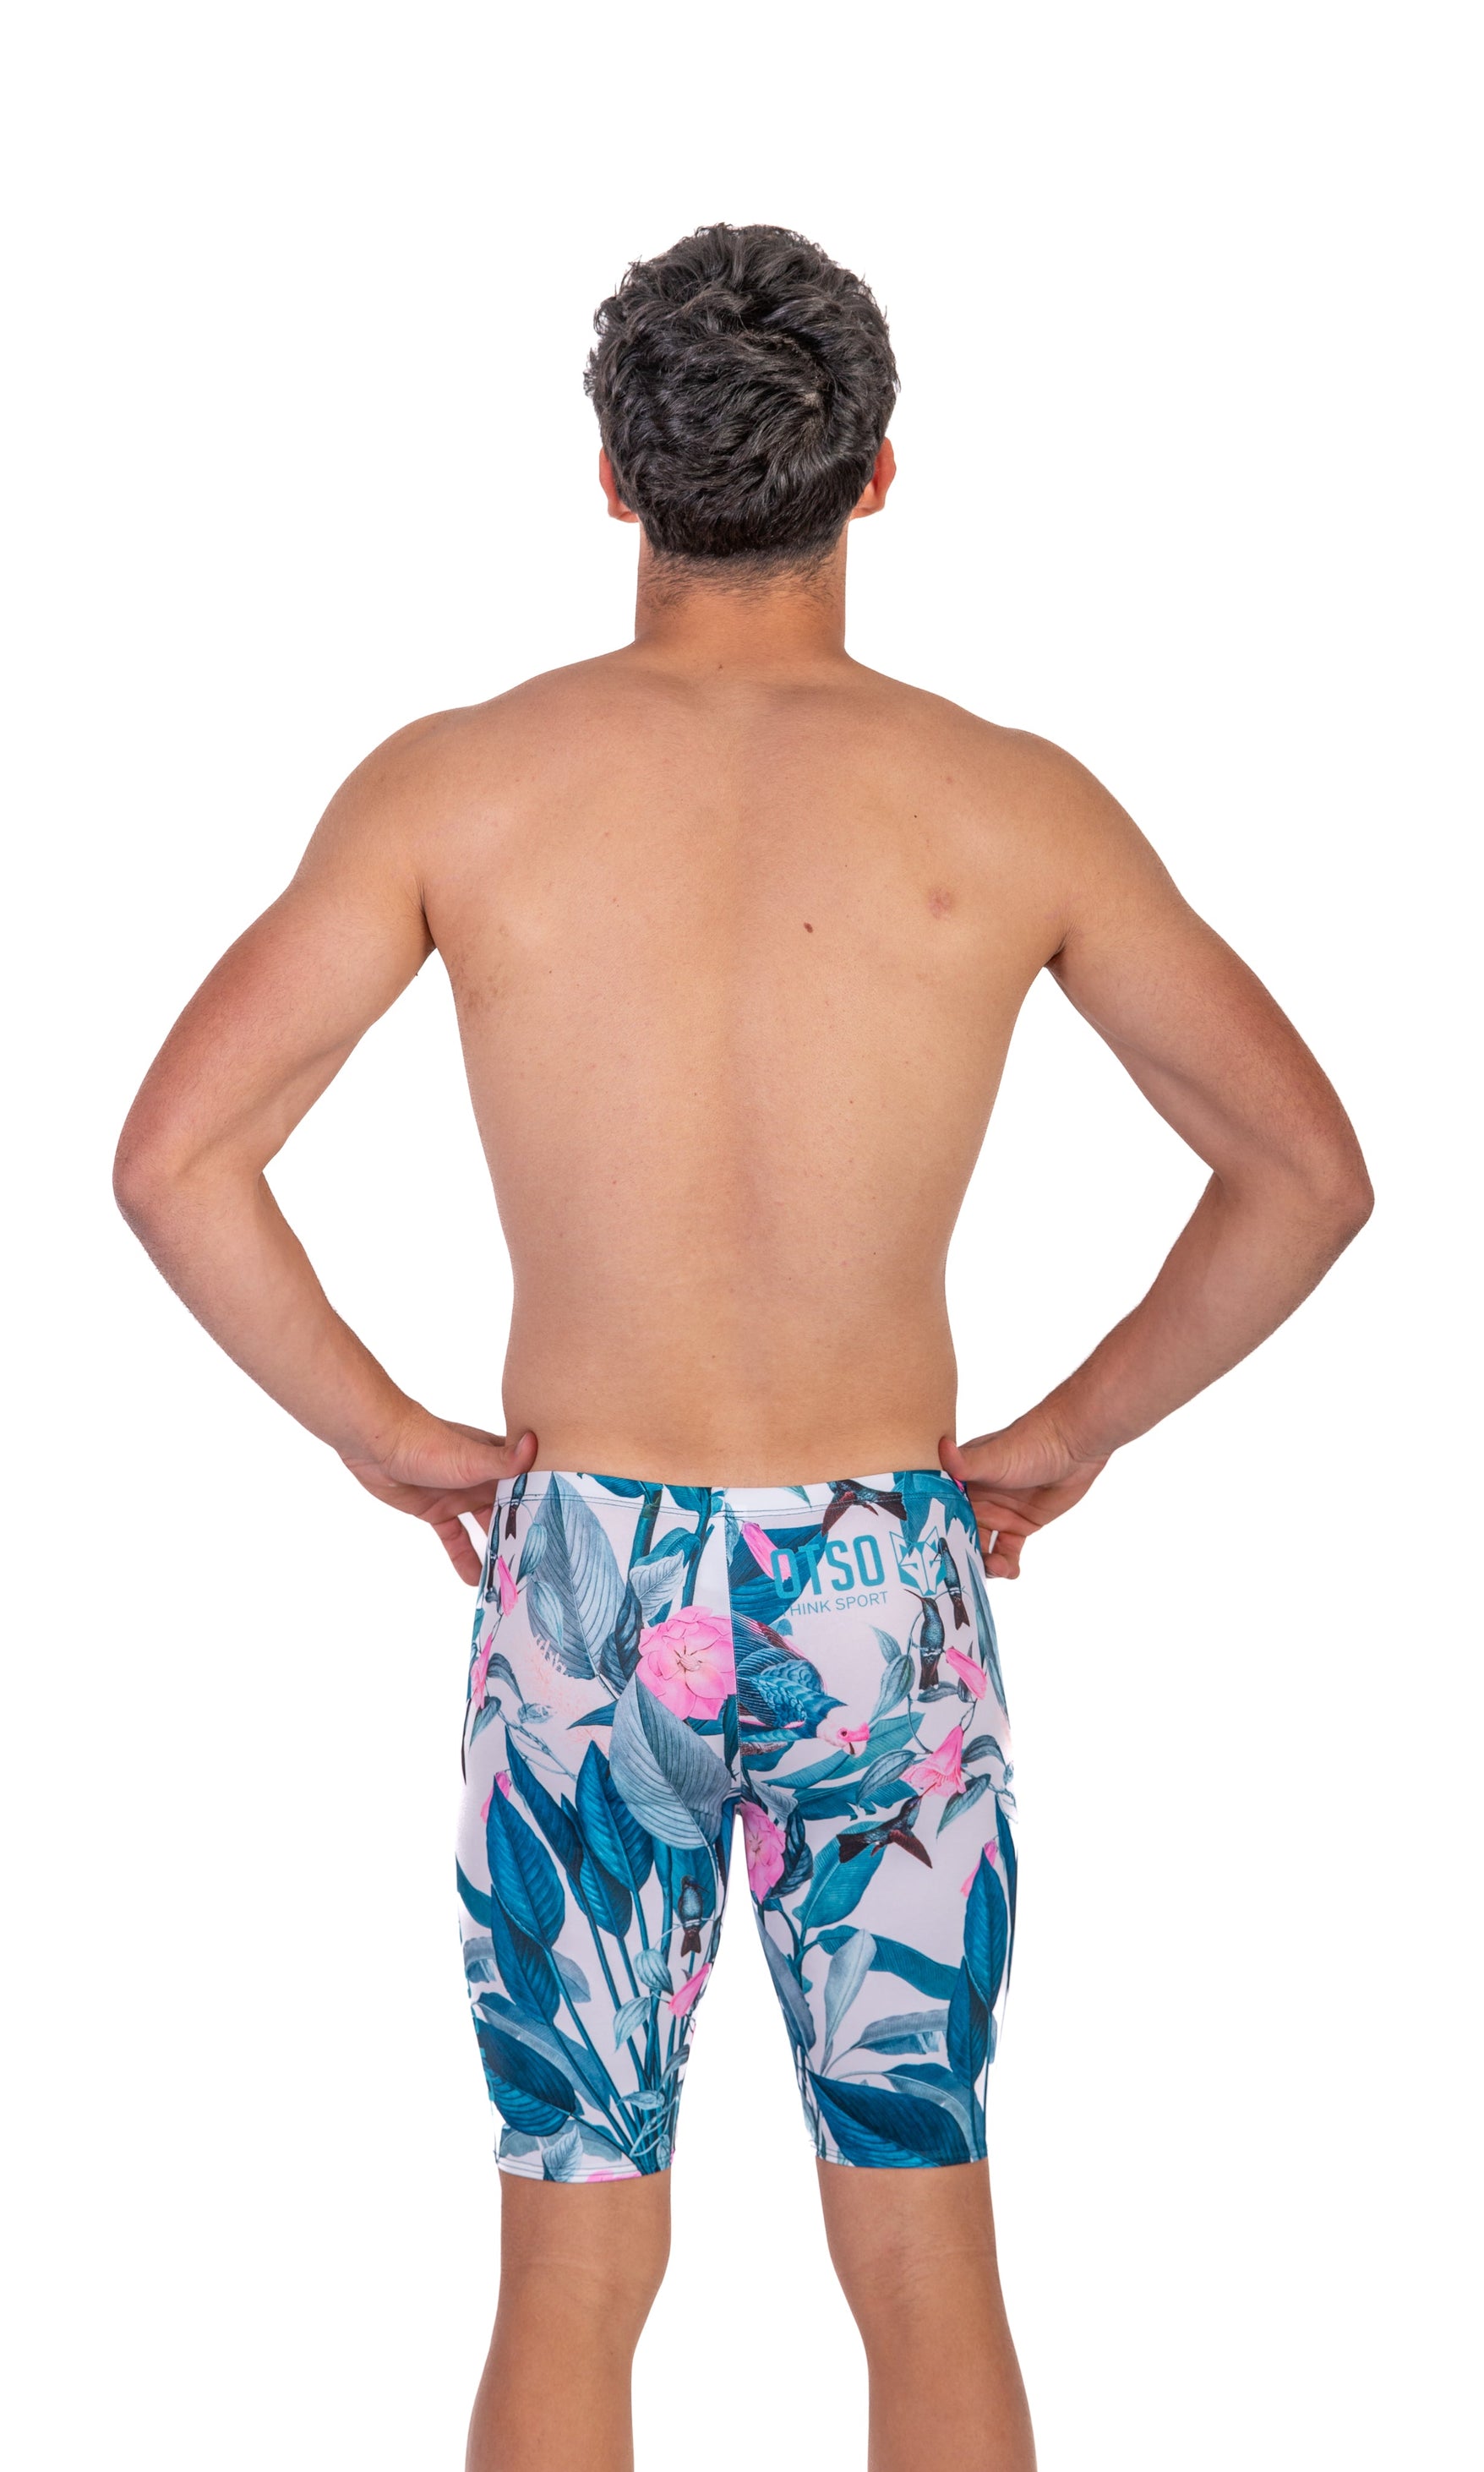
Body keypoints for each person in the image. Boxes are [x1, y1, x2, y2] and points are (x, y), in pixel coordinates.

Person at [114, 222, 1372, 2472]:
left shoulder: (456, 787)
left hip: (578, 1583)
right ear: (875, 475)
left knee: (572, 2266)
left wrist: (382, 1432)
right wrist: (1070, 1431)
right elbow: (1301, 1172)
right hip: (888, 1586)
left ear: (613, 477)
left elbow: (179, 1156)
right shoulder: (1013, 804)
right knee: (924, 2251)